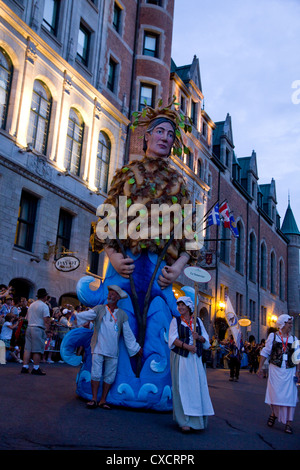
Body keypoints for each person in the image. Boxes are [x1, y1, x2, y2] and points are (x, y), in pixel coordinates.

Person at [68, 97, 200, 409]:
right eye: (161, 132)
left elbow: (189, 236)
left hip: (158, 272)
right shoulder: (126, 174)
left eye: (171, 135)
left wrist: (179, 264)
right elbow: (105, 221)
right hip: (125, 266)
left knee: (156, 323)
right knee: (119, 323)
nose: (166, 138)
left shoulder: (178, 183)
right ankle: (107, 385)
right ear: (147, 137)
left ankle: (154, 388)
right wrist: (113, 255)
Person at [74, 285, 142, 409]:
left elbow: (128, 334)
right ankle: (94, 399)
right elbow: (88, 315)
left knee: (110, 375)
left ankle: (103, 400)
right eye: (109, 293)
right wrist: (76, 316)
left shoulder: (122, 314)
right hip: (98, 347)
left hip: (113, 350)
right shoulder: (99, 309)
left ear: (118, 298)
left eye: (113, 294)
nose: (110, 296)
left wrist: (136, 348)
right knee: (95, 373)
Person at [168, 296, 214, 432]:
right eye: (179, 305)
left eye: (183, 305)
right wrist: (187, 347)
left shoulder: (198, 321)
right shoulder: (175, 321)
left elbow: (206, 342)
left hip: (196, 360)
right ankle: (184, 421)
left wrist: (198, 337)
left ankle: (197, 421)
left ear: (189, 307)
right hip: (182, 358)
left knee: (196, 388)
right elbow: (172, 339)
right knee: (182, 388)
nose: (180, 308)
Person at [257, 314, 300, 434]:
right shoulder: (273, 336)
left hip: (290, 371)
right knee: (275, 395)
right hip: (275, 370)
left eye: (291, 323)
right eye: (289, 323)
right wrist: (260, 368)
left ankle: (289, 422)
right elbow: (265, 352)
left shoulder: (295, 339)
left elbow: (297, 357)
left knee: (290, 396)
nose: (291, 325)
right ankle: (274, 413)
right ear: (282, 324)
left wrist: (298, 371)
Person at [20, 288, 51, 375]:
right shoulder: (44, 306)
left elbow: (27, 317)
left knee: (27, 349)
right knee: (37, 349)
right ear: (45, 296)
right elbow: (46, 320)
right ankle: (36, 367)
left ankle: (25, 366)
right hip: (38, 328)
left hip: (29, 327)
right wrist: (47, 330)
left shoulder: (32, 305)